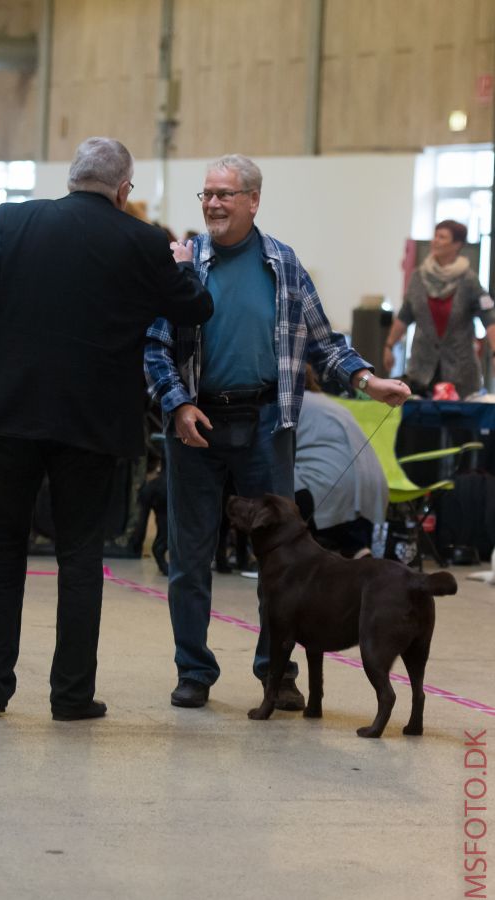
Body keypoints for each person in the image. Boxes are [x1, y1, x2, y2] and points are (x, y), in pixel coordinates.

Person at [0, 136, 213, 721]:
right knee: (80, 558)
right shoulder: (145, 242)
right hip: (93, 424)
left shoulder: (13, 221)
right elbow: (194, 309)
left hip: (12, 414)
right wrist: (182, 268)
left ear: (73, 176)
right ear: (123, 190)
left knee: (1, 550)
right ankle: (72, 696)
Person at [144, 153, 410, 710]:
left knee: (285, 560)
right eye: (207, 194)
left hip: (268, 423)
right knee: (189, 556)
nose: (213, 203)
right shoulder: (184, 264)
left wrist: (366, 379)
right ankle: (193, 670)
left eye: (225, 194)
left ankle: (275, 672)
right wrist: (178, 406)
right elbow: (155, 347)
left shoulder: (282, 263)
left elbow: (323, 340)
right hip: (196, 424)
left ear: (253, 201)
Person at [383, 220, 495, 398]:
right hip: (421, 371)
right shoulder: (418, 277)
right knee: (417, 424)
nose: (435, 240)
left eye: (442, 237)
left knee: (459, 425)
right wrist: (389, 345)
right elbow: (404, 315)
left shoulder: (469, 280)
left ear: (457, 245)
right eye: (435, 236)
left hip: (461, 374)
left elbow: (489, 318)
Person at [294, 365, 388, 558]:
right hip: (373, 484)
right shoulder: (328, 402)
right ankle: (357, 550)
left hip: (328, 485)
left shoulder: (291, 404)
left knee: (280, 486)